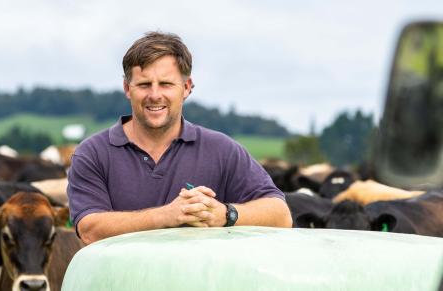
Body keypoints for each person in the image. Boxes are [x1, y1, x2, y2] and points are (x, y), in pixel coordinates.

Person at [68, 31, 292, 245]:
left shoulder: (221, 150)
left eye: (166, 84)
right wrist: (167, 216)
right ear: (128, 88)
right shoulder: (93, 153)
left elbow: (281, 216)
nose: (155, 95)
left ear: (186, 87)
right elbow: (90, 230)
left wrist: (225, 214)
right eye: (144, 84)